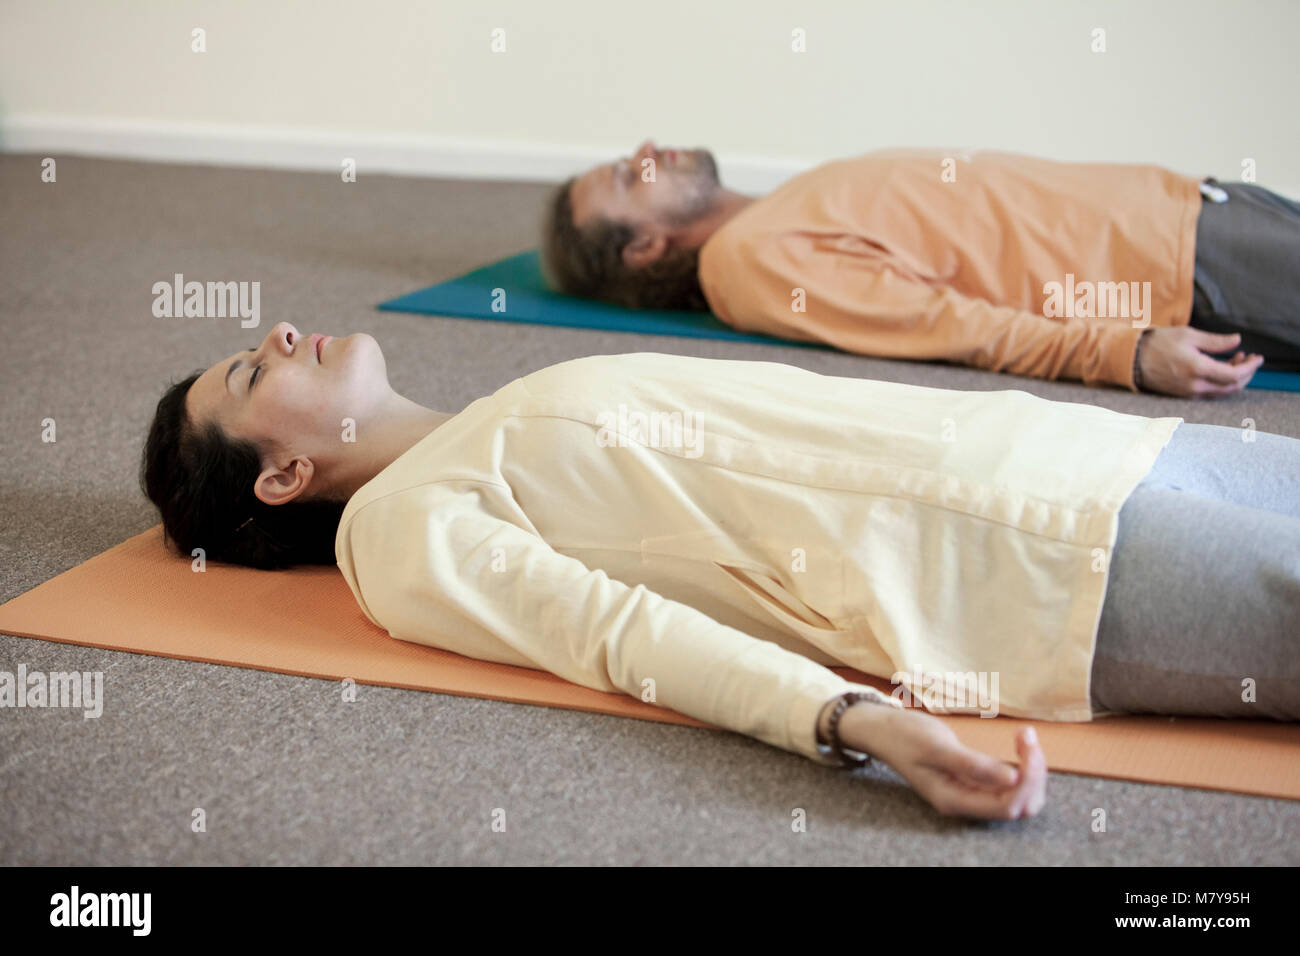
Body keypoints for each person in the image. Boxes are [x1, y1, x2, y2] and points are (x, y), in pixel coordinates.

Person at [141, 324, 1300, 821]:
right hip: (1044, 568)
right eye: (254, 369)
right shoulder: (395, 534)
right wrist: (847, 720)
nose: (283, 332)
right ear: (283, 475)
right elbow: (621, 635)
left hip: (1082, 449)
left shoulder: (493, 409)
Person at [541, 141, 1300, 397]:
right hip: (1180, 264)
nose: (644, 149)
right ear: (643, 247)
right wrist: (1125, 353)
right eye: (624, 177)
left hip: (1187, 207)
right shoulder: (747, 262)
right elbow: (942, 326)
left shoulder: (770, 216)